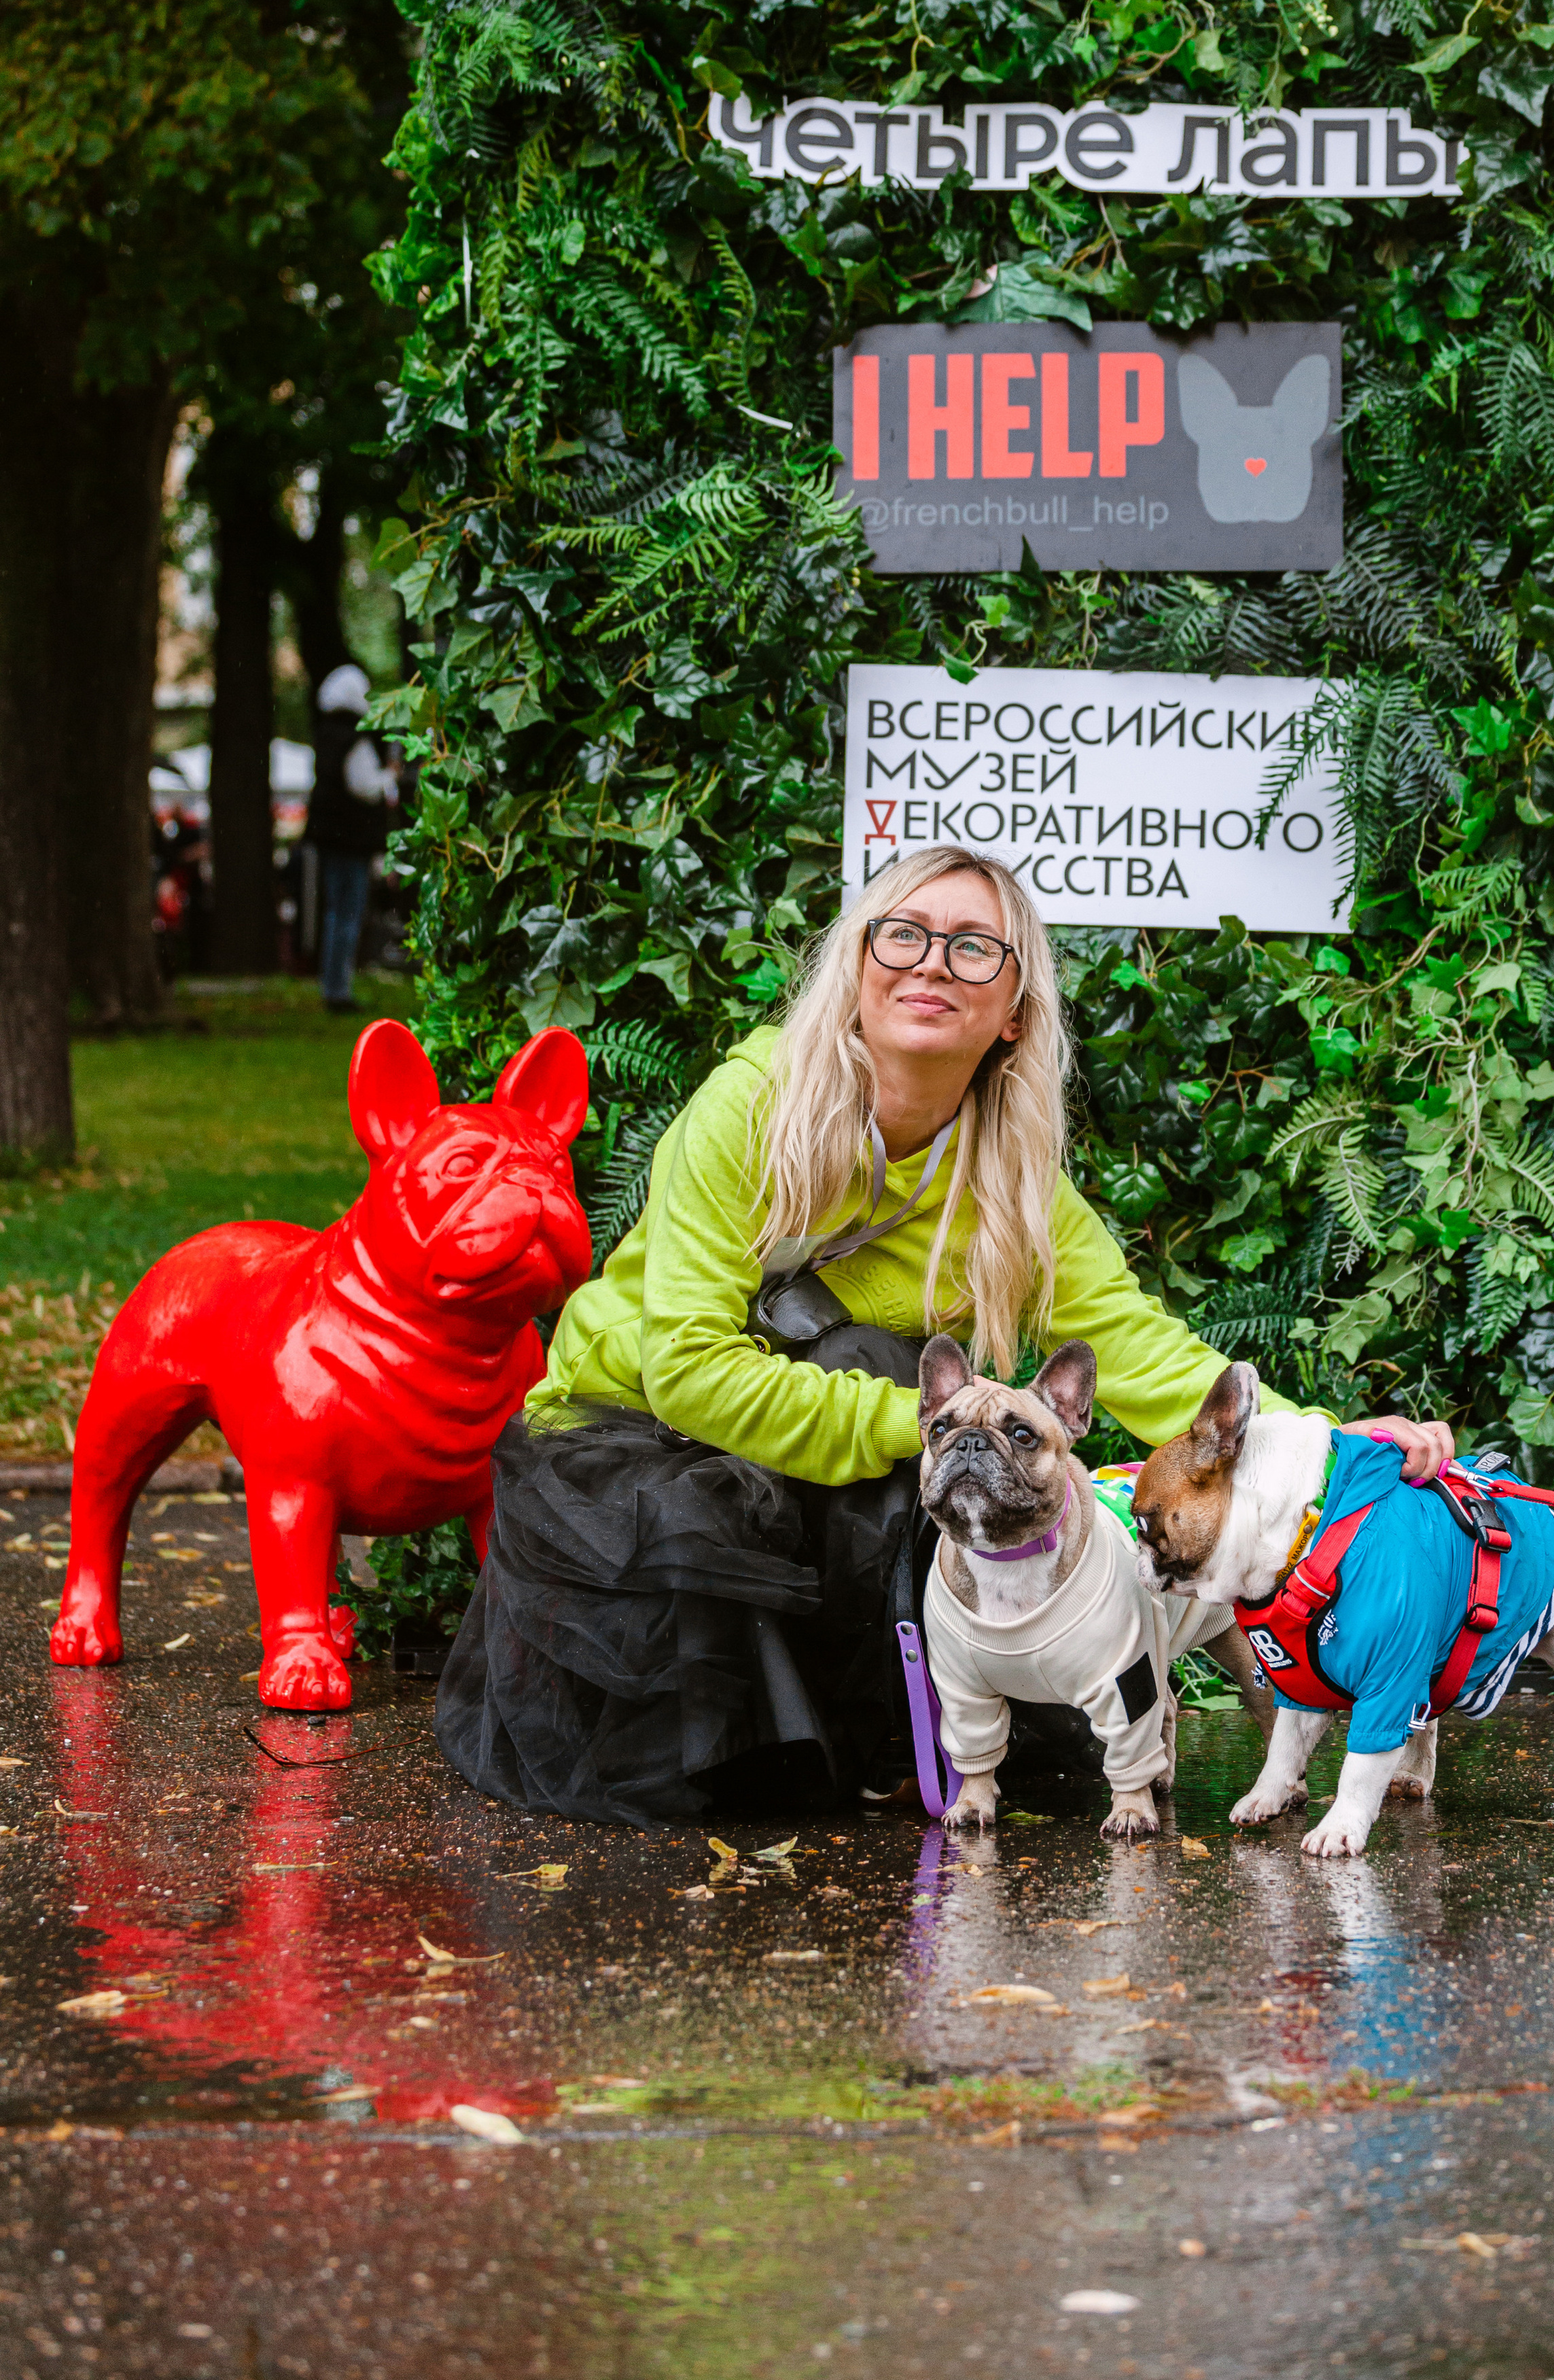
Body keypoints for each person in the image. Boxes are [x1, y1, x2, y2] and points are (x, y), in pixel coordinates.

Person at [434, 845, 1453, 1827]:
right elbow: (691, 1371)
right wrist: (943, 1427)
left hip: (814, 1437)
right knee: (919, 1398)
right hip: (642, 1437)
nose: (931, 961)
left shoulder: (1012, 1176)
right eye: (904, 935)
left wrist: (1329, 1446)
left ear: (1013, 1015)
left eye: (973, 947)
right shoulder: (752, 1106)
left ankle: (892, 1736)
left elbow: (1140, 1352)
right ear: (858, 969)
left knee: (958, 1429)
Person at [305, 663, 396, 1013]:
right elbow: (364, 787)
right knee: (348, 913)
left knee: (334, 913)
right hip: (352, 840)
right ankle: (339, 988)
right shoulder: (354, 740)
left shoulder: (326, 735)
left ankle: (331, 983)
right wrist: (388, 776)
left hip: (329, 838)